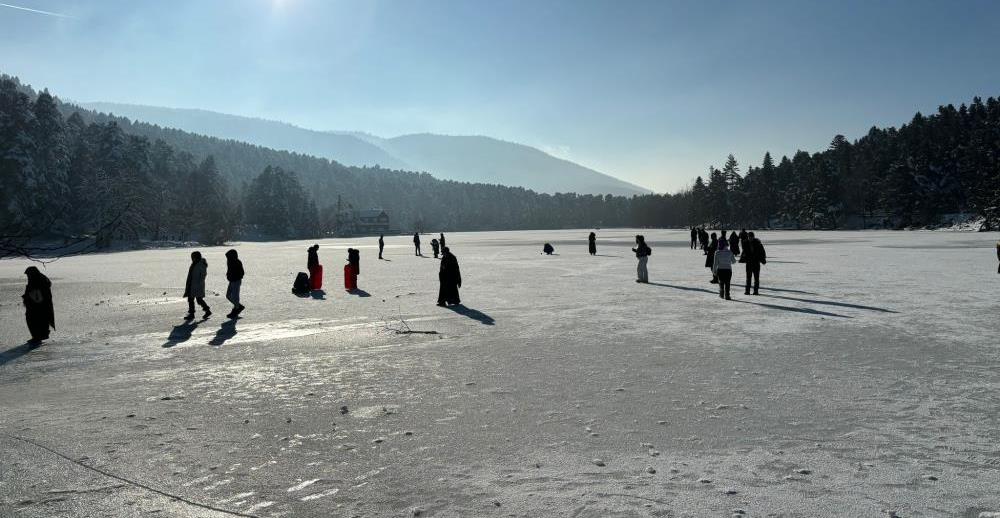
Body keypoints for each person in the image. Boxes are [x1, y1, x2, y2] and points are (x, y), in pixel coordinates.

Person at [22, 267, 54, 345]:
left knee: (36, 321)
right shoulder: (39, 278)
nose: (27, 276)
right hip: (38, 306)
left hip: (38, 306)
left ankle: (37, 337)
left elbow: (37, 296)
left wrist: (28, 297)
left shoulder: (37, 280)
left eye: (28, 274)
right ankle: (37, 337)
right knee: (35, 321)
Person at [184, 251, 211, 319]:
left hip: (197, 285)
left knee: (195, 299)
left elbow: (203, 275)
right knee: (194, 299)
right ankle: (206, 311)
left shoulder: (201, 264)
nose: (192, 258)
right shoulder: (195, 263)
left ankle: (192, 314)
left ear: (197, 257)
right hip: (192, 284)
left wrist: (198, 282)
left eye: (193, 257)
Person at [225, 249, 245, 318]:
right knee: (228, 296)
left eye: (228, 257)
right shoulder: (230, 262)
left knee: (235, 297)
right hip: (231, 281)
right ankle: (239, 306)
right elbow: (229, 271)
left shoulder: (237, 262)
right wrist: (228, 275)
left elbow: (242, 272)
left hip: (236, 281)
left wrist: (235, 277)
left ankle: (236, 310)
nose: (227, 258)